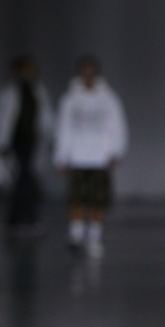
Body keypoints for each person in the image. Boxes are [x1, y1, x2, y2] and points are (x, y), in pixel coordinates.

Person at [53, 55, 128, 258]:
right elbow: (63, 127)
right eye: (84, 71)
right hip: (77, 155)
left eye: (90, 71)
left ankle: (94, 237)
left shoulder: (107, 98)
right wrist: (61, 156)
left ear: (96, 73)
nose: (87, 75)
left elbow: (117, 125)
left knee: (98, 199)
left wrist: (116, 150)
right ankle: (76, 235)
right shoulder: (71, 98)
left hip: (100, 156)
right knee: (76, 197)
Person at [0, 55, 54, 238]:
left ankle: (22, 219)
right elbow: (1, 119)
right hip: (15, 142)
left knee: (27, 179)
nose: (27, 73)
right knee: (21, 180)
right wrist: (1, 144)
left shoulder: (38, 91)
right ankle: (23, 219)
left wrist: (51, 138)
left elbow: (46, 117)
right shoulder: (9, 92)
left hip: (33, 141)